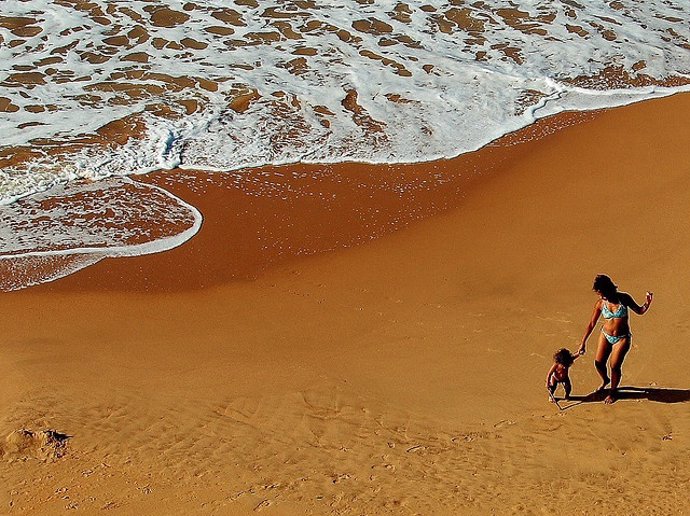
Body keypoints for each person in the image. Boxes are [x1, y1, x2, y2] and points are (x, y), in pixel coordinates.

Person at [577, 274, 653, 404]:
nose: (601, 297)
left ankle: (613, 392)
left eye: (602, 293)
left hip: (622, 338)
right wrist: (583, 343)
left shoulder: (624, 298)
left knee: (614, 366)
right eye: (599, 294)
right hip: (605, 335)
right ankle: (606, 380)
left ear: (608, 289)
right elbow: (591, 324)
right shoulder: (600, 304)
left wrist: (647, 303)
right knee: (599, 363)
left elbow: (640, 311)